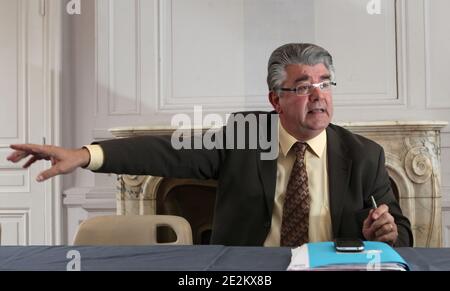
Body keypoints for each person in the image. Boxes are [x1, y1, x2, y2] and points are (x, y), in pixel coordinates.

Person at [7, 43, 413, 247]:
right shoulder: (245, 138)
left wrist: (389, 232)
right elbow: (169, 151)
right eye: (304, 87)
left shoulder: (363, 154)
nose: (318, 96)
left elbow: (404, 235)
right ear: (275, 100)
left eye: (324, 84)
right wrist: (84, 155)